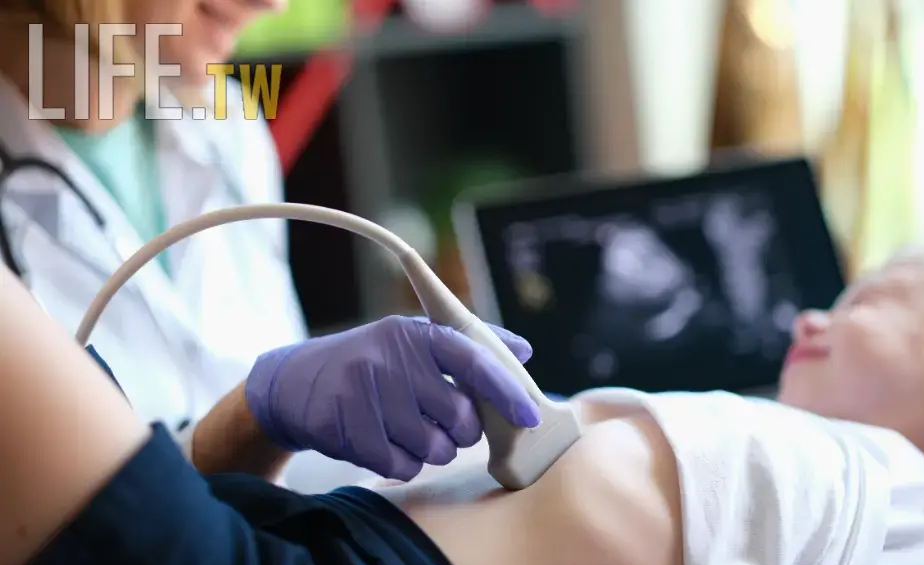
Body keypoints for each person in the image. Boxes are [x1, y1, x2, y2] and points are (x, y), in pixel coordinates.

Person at [7, 242, 924, 565]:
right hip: (271, 536)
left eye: (870, 300)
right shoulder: (814, 474)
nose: (808, 315)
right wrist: (258, 418)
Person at [0, 0, 541, 487]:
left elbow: (296, 482)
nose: (273, 5)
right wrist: (250, 420)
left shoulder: (227, 123)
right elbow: (73, 532)